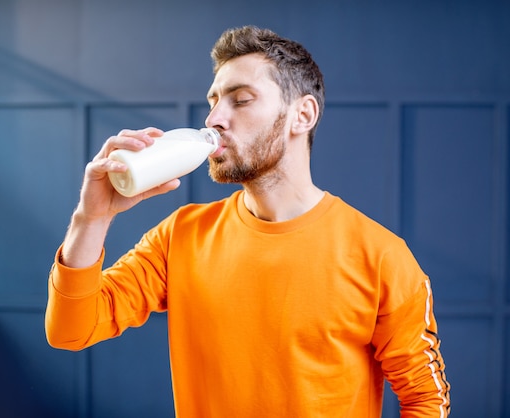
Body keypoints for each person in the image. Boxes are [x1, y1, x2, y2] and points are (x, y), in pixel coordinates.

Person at [45, 25, 451, 417]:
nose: (214, 119)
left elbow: (425, 399)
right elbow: (70, 330)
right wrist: (92, 217)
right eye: (213, 102)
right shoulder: (181, 237)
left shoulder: (381, 257)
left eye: (240, 100)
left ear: (302, 115)